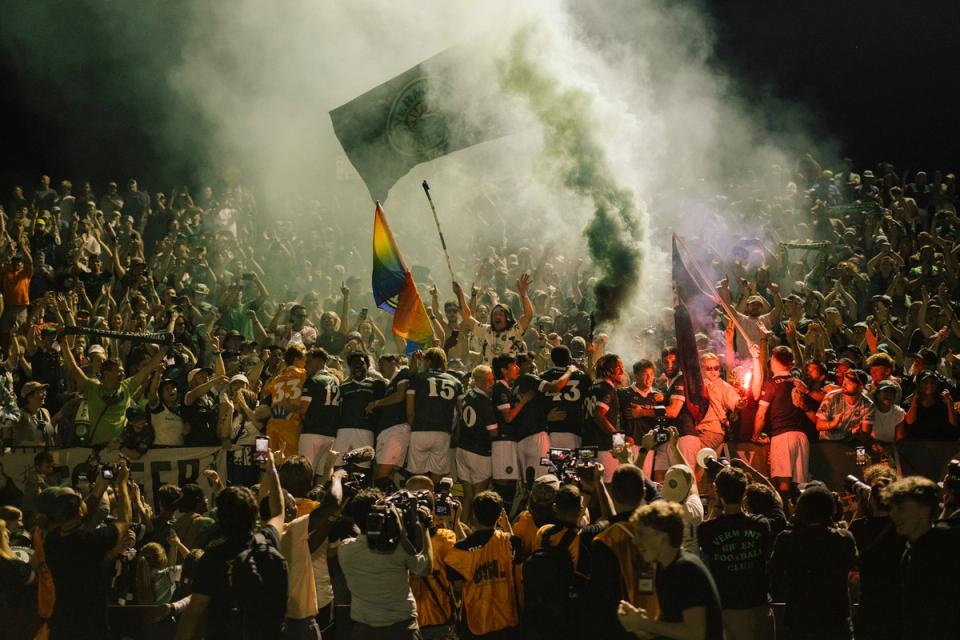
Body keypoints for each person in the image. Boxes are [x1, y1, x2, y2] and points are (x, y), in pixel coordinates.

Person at [175, 450, 288, 640]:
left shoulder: (213, 557)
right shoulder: (266, 541)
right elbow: (278, 512)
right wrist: (272, 469)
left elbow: (195, 610)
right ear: (255, 514)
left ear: (220, 519)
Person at [44, 460, 133, 640]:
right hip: (91, 624)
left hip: (63, 622)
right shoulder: (92, 540)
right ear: (80, 512)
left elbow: (81, 514)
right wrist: (122, 484)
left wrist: (101, 485)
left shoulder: (52, 540)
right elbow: (124, 520)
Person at [618, 500, 724, 640]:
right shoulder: (664, 568)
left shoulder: (686, 570)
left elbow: (696, 633)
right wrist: (640, 625)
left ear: (662, 537)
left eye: (641, 534)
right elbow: (666, 626)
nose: (635, 541)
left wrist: (644, 624)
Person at [338, 488, 434, 639]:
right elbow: (425, 568)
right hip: (402, 628)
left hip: (364, 630)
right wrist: (424, 526)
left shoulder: (345, 549)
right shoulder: (398, 548)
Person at [769, 483, 858, 640]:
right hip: (835, 618)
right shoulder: (843, 538)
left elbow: (774, 571)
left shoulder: (787, 539)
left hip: (800, 618)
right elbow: (853, 565)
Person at [697, 466, 774, 640]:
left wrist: (718, 503)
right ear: (745, 491)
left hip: (727, 608)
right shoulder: (761, 525)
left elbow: (706, 542)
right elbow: (776, 502)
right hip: (758, 606)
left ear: (717, 491)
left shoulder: (707, 529)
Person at [883, 476, 960, 640]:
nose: (893, 514)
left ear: (924, 509)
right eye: (892, 508)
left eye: (901, 508)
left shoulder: (946, 547)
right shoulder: (910, 551)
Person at [59, 332, 168, 445]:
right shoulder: (91, 388)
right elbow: (73, 366)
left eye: (123, 371)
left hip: (119, 448)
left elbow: (149, 367)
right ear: (106, 374)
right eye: (118, 371)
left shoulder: (127, 386)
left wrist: (165, 348)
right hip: (97, 449)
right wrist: (63, 343)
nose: (123, 374)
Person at [443, 490, 523, 639]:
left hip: (476, 622)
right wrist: (505, 523)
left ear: (473, 514)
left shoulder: (458, 550)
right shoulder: (510, 542)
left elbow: (458, 589)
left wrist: (456, 520)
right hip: (507, 619)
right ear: (499, 515)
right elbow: (513, 546)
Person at [754, 346, 810, 507]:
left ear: (775, 360)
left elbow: (760, 414)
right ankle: (802, 517)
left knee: (783, 486)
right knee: (800, 486)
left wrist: (755, 435)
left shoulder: (772, 384)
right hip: (801, 437)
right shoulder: (798, 382)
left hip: (782, 436)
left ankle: (783, 518)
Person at [406, 347, 463, 483]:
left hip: (420, 430)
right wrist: (456, 433)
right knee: (438, 478)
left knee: (417, 478)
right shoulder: (456, 382)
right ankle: (435, 495)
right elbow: (461, 412)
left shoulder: (417, 379)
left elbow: (410, 410)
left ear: (429, 362)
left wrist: (412, 424)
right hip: (443, 432)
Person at [452, 274, 535, 362]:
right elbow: (467, 316)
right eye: (495, 314)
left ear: (508, 318)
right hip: (488, 370)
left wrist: (524, 295)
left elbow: (528, 315)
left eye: (501, 314)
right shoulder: (486, 330)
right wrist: (459, 294)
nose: (497, 316)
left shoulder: (515, 331)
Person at [456, 364, 497, 525]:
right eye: (489, 380)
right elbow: (493, 432)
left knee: (467, 496)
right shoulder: (485, 402)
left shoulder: (467, 396)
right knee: (480, 498)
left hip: (462, 450)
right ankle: (475, 532)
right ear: (479, 381)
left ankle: (461, 530)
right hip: (479, 453)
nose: (492, 383)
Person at [297, 348, 341, 480]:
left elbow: (303, 409)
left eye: (308, 362)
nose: (305, 366)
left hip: (312, 433)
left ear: (319, 361)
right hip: (331, 435)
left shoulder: (313, 380)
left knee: (305, 473)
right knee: (323, 475)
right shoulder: (336, 380)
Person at [336, 352, 385, 467]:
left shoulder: (377, 385)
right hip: (343, 430)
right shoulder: (343, 388)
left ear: (367, 366)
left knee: (363, 467)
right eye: (354, 365)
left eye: (361, 364)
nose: (357, 367)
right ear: (350, 368)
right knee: (338, 465)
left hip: (366, 430)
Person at [541, 345, 591, 450]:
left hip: (550, 431)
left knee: (552, 460)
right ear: (569, 359)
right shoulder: (580, 376)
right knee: (572, 460)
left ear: (552, 359)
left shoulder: (542, 377)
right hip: (573, 430)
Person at [262, 344, 308, 458]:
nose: (306, 362)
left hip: (272, 424)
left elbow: (265, 393)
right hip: (291, 425)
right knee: (290, 463)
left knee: (269, 463)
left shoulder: (277, 378)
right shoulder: (303, 374)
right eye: (304, 359)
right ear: (296, 360)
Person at [587, 354, 626, 483]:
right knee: (607, 487)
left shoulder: (592, 387)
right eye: (619, 368)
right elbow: (599, 415)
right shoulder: (607, 388)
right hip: (604, 448)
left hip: (588, 445)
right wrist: (618, 439)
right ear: (609, 370)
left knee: (590, 489)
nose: (622, 371)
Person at [815, 368, 876, 442]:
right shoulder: (832, 397)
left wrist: (858, 432)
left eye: (849, 383)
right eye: (844, 380)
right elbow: (819, 425)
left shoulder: (868, 405)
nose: (844, 384)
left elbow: (865, 435)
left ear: (861, 388)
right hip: (828, 440)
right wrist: (833, 423)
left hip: (850, 442)